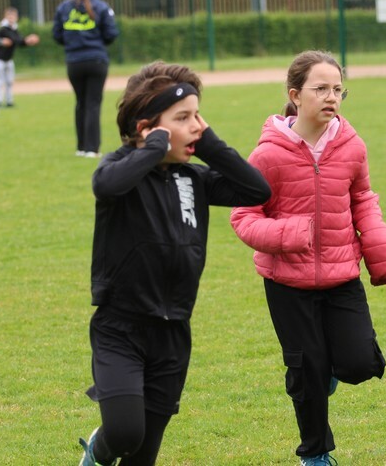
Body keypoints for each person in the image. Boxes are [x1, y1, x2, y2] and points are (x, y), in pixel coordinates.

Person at [78, 61, 271, 466]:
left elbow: (257, 190)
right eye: (183, 118)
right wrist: (152, 148)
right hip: (121, 329)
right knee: (125, 434)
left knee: (143, 453)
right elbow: (105, 184)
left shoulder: (193, 178)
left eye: (198, 116)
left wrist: (208, 143)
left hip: (173, 334)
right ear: (148, 128)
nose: (197, 125)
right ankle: (99, 450)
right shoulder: (121, 171)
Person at [230, 50, 386, 466]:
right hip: (286, 283)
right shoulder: (268, 155)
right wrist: (289, 234)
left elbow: (362, 200)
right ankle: (315, 455)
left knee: (361, 363)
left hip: (342, 277)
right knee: (305, 372)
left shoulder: (352, 146)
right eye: (321, 88)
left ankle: (327, 371)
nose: (331, 97)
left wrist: (381, 251)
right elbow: (244, 215)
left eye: (338, 89)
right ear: (295, 95)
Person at [52, 0, 119, 158]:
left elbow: (57, 34)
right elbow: (111, 33)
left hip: (74, 62)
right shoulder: (102, 7)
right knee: (93, 104)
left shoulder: (64, 8)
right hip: (97, 60)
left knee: (80, 102)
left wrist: (73, 44)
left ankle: (81, 147)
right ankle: (92, 148)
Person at [0, 7, 40, 108]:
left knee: (9, 81)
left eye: (13, 16)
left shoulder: (14, 28)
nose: (11, 18)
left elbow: (19, 41)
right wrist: (27, 40)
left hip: (9, 59)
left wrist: (28, 42)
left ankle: (9, 101)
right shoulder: (3, 29)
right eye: (9, 16)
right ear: (5, 17)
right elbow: (15, 39)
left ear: (16, 17)